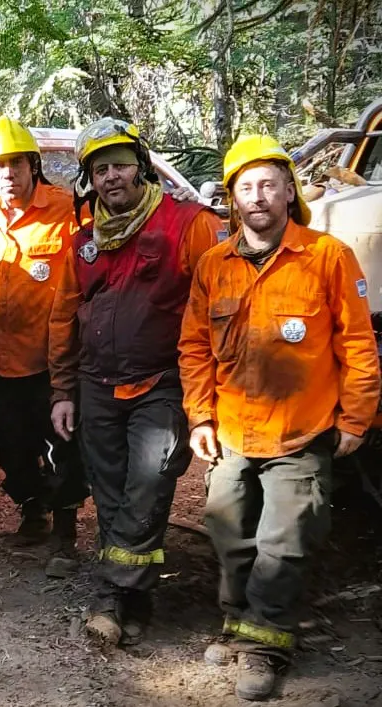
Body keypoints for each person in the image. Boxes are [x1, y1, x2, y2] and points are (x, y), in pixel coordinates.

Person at [178, 134, 380, 701]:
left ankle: (266, 646)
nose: (258, 195)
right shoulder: (213, 265)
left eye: (269, 183)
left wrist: (356, 418)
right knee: (227, 532)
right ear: (233, 199)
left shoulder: (326, 257)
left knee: (284, 543)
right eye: (246, 186)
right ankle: (238, 621)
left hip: (302, 429)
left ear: (290, 191)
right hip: (233, 429)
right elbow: (193, 346)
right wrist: (200, 417)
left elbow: (358, 345)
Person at [48, 117, 223, 645]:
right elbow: (63, 317)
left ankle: (109, 595)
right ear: (89, 180)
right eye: (100, 170)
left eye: (120, 165)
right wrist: (62, 390)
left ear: (141, 167)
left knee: (147, 487)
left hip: (163, 381)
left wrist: (210, 394)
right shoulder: (82, 242)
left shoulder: (186, 224)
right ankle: (136, 600)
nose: (111, 177)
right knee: (111, 494)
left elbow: (215, 305)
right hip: (97, 384)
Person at [0, 115, 88, 574]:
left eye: (16, 164)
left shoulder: (67, 210)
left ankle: (64, 531)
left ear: (32, 166)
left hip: (52, 360)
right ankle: (32, 511)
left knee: (63, 444)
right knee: (10, 446)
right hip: (0, 358)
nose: (7, 174)